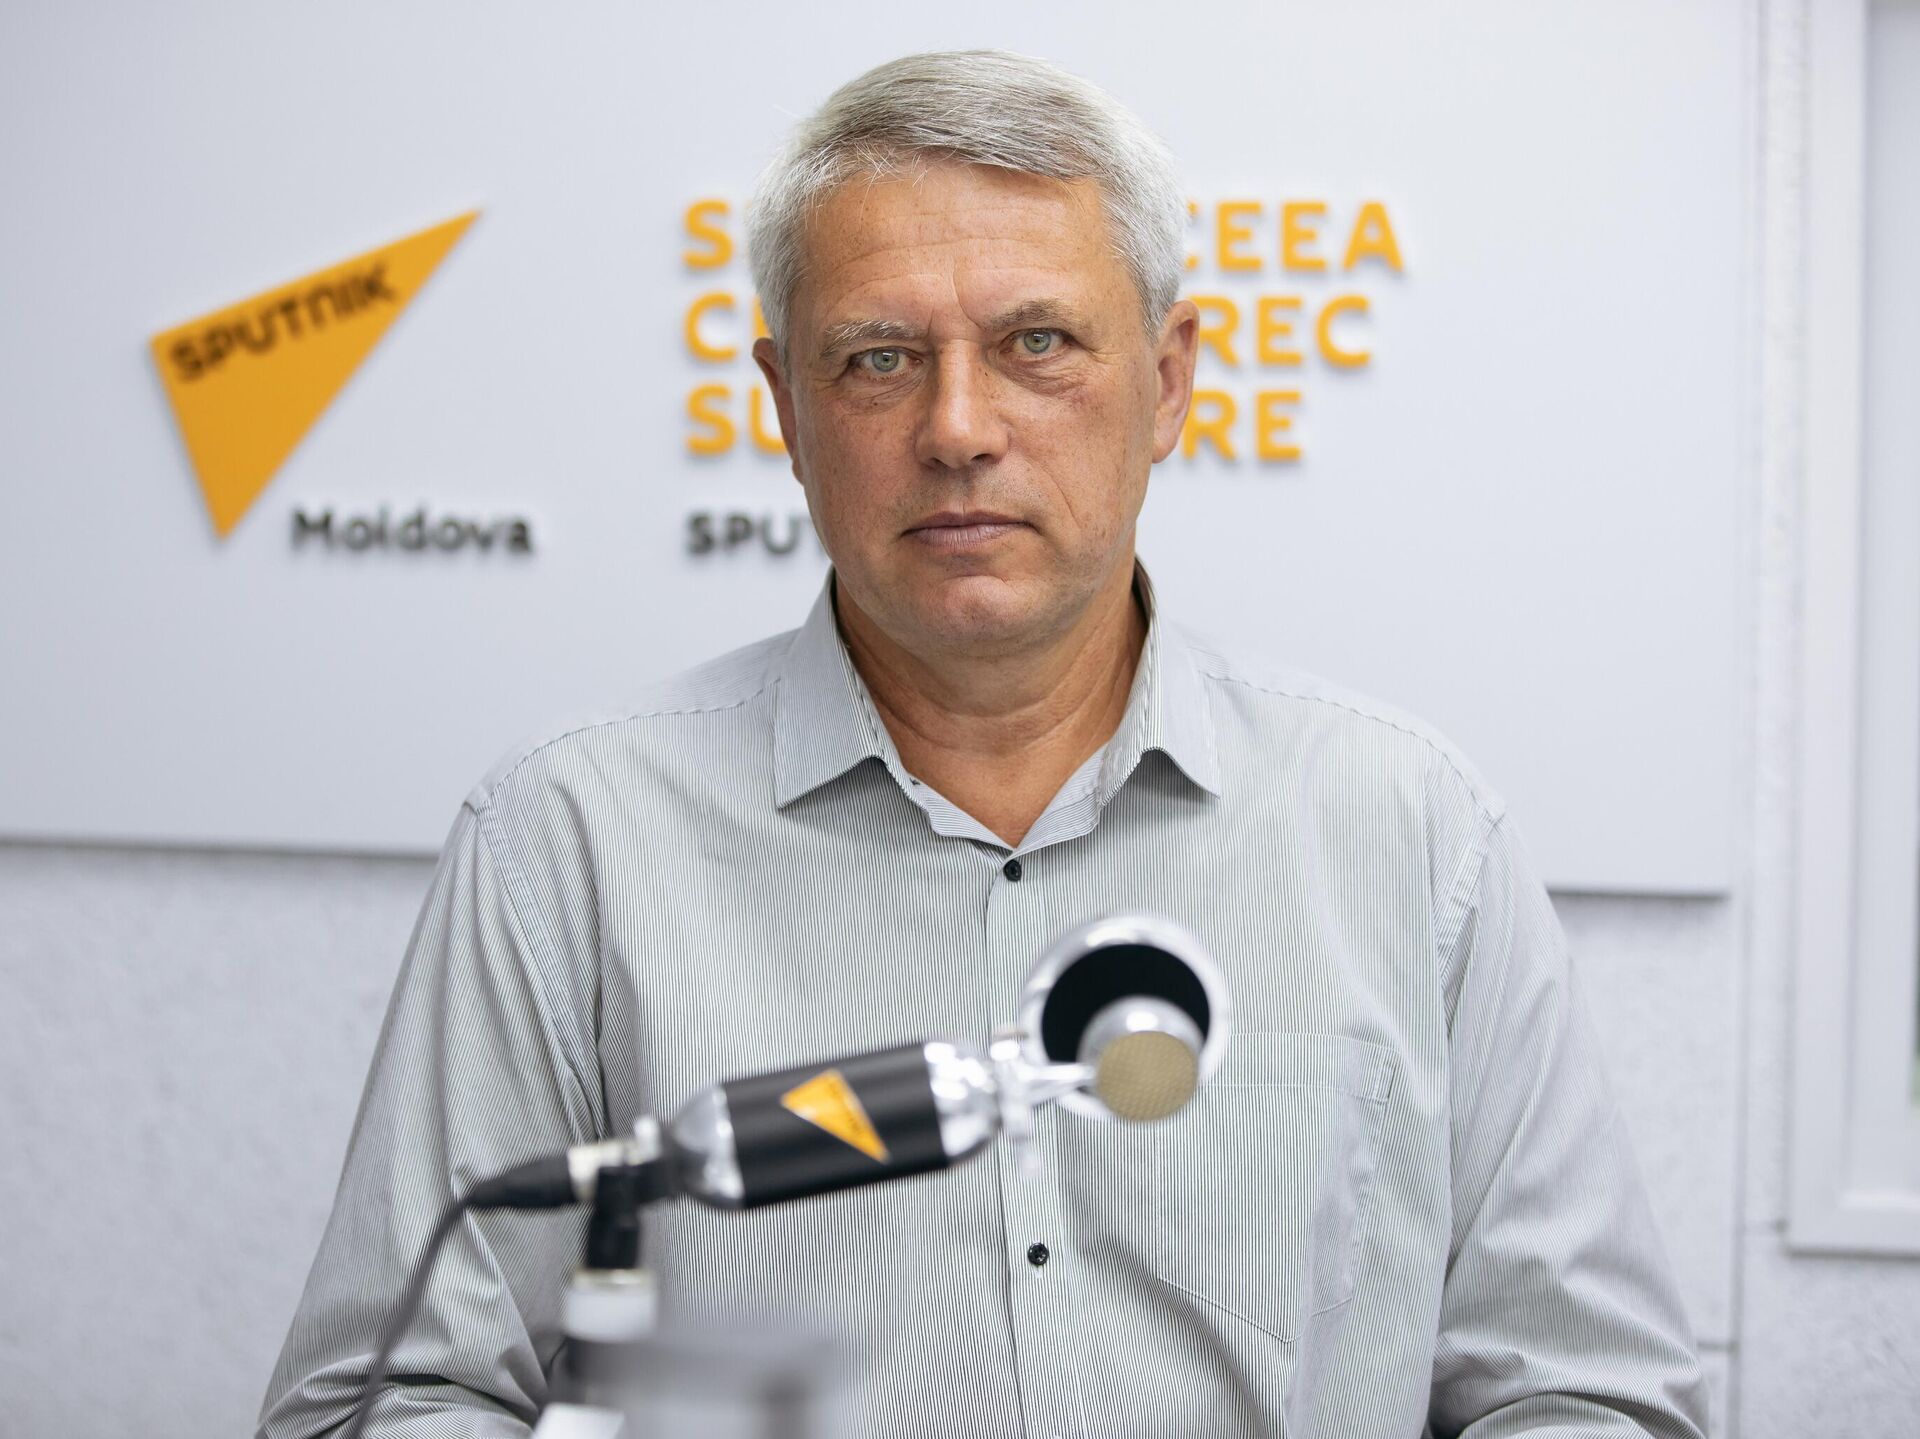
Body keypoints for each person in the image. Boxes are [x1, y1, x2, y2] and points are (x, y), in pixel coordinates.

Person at [260, 49, 1709, 1439]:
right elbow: (386, 1400)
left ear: (1170, 381)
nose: (958, 428)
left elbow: (1592, 1398)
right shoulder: (569, 839)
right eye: (879, 359)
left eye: (1037, 344)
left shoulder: (1413, 830)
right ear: (784, 408)